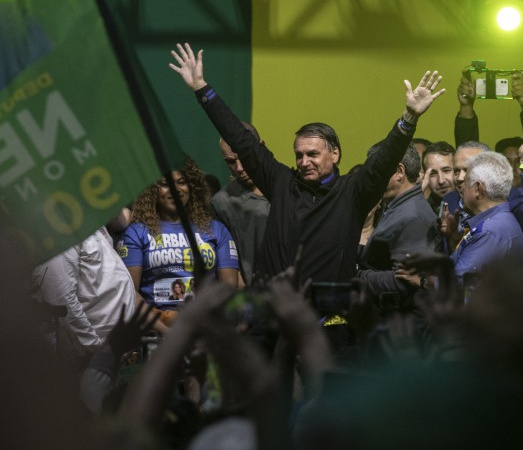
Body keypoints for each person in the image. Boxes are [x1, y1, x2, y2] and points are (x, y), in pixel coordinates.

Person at [169, 42, 445, 287]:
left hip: (329, 321)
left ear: (335, 154)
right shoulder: (281, 183)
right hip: (274, 316)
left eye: (313, 154)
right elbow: (240, 140)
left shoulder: (352, 192)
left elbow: (384, 159)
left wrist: (409, 117)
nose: (304, 161)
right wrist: (202, 90)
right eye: (299, 155)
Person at [117, 156, 240, 331]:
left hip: (206, 328)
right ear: (152, 190)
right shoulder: (136, 233)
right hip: (156, 332)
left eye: (182, 182)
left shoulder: (216, 230)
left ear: (191, 187)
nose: (176, 190)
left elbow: (229, 290)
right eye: (165, 184)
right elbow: (130, 294)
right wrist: (166, 332)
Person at [30, 224, 136, 363]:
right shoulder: (55, 231)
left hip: (115, 351)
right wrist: (93, 351)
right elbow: (61, 300)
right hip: (92, 357)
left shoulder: (85, 222)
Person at [357, 142, 442, 313]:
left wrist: (356, 275)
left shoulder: (413, 216)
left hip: (400, 327)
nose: (371, 177)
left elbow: (403, 282)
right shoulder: (399, 207)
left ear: (399, 171)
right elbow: (382, 255)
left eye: (376, 170)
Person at [455, 72, 523, 196]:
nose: (513, 168)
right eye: (506, 162)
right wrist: (466, 105)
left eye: (519, 161)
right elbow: (468, 156)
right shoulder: (484, 197)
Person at [450, 152, 523, 287]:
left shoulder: (489, 232)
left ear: (478, 189)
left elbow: (456, 284)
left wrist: (423, 281)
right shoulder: (500, 222)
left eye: (466, 183)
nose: (461, 189)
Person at [211, 121, 271, 287]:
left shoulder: (289, 187)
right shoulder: (222, 203)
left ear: (261, 147)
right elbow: (229, 265)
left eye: (244, 157)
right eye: (230, 162)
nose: (238, 168)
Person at [421, 140, 456, 213]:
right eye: (433, 174)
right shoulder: (422, 213)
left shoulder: (471, 206)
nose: (441, 181)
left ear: (456, 171)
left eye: (446, 171)